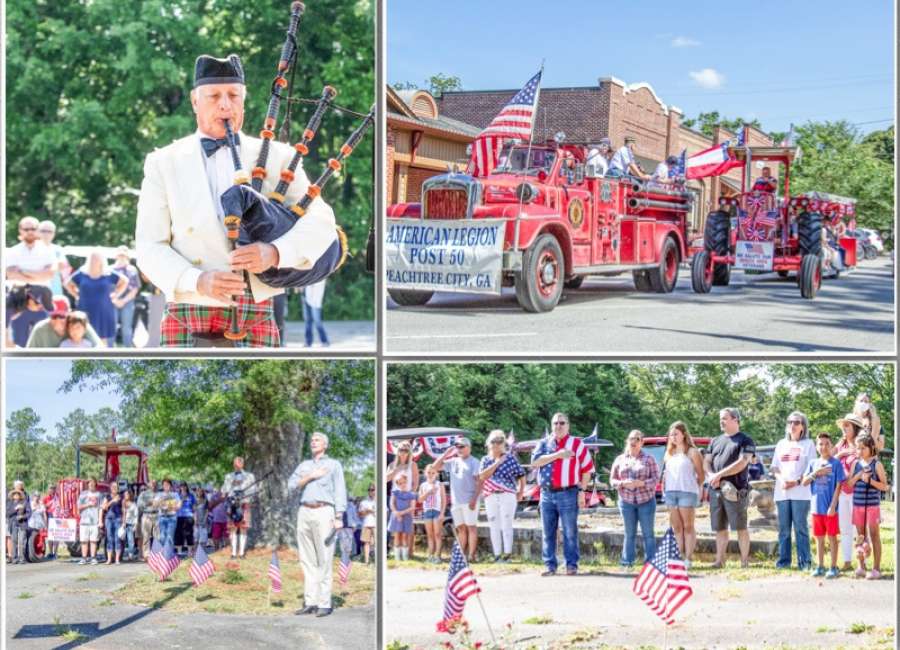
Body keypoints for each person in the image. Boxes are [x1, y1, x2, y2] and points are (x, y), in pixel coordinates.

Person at [135, 54, 338, 348]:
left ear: (243, 101)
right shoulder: (163, 162)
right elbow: (148, 245)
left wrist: (276, 252)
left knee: (262, 394)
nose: (225, 104)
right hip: (187, 307)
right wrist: (196, 280)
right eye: (214, 96)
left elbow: (321, 222)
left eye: (233, 95)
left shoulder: (278, 157)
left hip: (255, 309)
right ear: (195, 101)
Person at [288, 432, 347, 618]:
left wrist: (339, 516)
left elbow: (340, 490)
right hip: (305, 510)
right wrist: (310, 476)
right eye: (312, 440)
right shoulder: (304, 466)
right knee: (307, 558)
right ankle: (310, 601)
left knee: (324, 557)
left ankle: (324, 602)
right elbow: (291, 485)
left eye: (317, 440)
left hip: (324, 511)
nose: (313, 442)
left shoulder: (333, 465)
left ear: (325, 445)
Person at [530, 413, 594, 576]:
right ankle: (550, 565)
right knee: (548, 531)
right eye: (555, 423)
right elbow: (535, 462)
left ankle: (571, 565)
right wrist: (558, 455)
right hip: (546, 494)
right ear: (551, 426)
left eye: (562, 423)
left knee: (570, 531)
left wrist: (582, 491)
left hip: (568, 492)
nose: (558, 426)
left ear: (568, 425)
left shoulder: (577, 444)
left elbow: (587, 470)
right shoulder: (544, 443)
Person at [704, 407, 756, 568]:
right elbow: (706, 461)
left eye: (725, 418)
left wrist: (719, 475)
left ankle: (744, 561)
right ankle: (720, 561)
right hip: (716, 489)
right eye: (721, 418)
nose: (721, 421)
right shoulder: (715, 440)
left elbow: (742, 462)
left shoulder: (746, 440)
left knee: (740, 527)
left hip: (736, 491)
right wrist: (712, 475)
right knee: (719, 528)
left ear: (735, 420)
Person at [770, 411, 817, 571]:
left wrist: (795, 482)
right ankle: (784, 562)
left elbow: (812, 469)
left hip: (801, 493)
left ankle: (805, 562)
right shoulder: (781, 444)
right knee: (783, 530)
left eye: (797, 422)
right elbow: (775, 467)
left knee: (800, 528)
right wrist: (782, 480)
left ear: (803, 426)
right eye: (790, 422)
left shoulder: (809, 444)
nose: (793, 425)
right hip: (782, 492)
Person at [611, 429, 660, 567]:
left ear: (642, 442)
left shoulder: (649, 459)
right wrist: (622, 483)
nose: (634, 441)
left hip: (646, 502)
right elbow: (612, 480)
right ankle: (627, 562)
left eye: (637, 439)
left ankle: (651, 563)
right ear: (627, 441)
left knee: (648, 534)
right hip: (626, 502)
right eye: (631, 438)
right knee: (629, 533)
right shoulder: (620, 459)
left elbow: (656, 479)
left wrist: (642, 483)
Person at [802, 433, 845, 578]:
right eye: (820, 444)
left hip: (830, 509)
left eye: (827, 444)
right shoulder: (813, 463)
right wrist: (816, 473)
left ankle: (833, 567)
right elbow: (804, 482)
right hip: (816, 508)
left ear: (831, 446)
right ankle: (820, 566)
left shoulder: (836, 463)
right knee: (819, 538)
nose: (823, 447)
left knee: (832, 537)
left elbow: (839, 485)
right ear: (816, 446)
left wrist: (833, 506)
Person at [478, 430, 526, 563]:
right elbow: (482, 476)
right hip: (490, 495)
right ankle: (497, 554)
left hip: (508, 495)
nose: (497, 444)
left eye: (500, 441)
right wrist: (497, 462)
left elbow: (521, 475)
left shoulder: (510, 458)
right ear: (489, 443)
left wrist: (521, 492)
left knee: (506, 524)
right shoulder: (485, 460)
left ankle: (507, 554)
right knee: (494, 525)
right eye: (494, 441)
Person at [661, 421, 704, 567]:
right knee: (677, 527)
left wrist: (693, 487)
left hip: (687, 492)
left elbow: (701, 475)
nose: (673, 437)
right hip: (671, 493)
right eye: (671, 434)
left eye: (676, 434)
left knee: (688, 526)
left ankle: (688, 558)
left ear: (683, 434)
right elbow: (666, 474)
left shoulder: (692, 452)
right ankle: (678, 558)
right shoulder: (668, 453)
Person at [433, 438, 482, 563]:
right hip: (456, 502)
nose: (459, 449)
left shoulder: (474, 462)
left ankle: (471, 555)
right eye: (457, 447)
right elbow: (435, 467)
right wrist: (446, 453)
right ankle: (461, 555)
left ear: (469, 448)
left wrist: (474, 499)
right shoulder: (453, 461)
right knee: (460, 528)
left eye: (462, 446)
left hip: (469, 500)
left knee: (471, 527)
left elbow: (480, 482)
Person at [846, 434, 888, 579]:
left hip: (872, 506)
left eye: (863, 448)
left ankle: (876, 568)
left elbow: (885, 486)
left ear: (871, 448)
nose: (860, 451)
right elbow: (849, 484)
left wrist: (870, 481)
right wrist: (858, 476)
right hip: (858, 506)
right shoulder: (855, 464)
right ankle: (861, 566)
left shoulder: (877, 464)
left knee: (875, 535)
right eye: (858, 448)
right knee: (860, 536)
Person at [65, 251, 127, 347]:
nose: (94, 261)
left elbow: (124, 281)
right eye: (92, 258)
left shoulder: (108, 273)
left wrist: (116, 294)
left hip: (103, 311)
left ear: (102, 260)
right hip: (84, 309)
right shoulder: (82, 273)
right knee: (84, 336)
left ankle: (102, 359)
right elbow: (67, 283)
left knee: (102, 339)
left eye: (97, 259)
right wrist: (76, 294)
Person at [5, 216, 56, 311]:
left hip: (42, 296)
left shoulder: (48, 250)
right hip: (18, 296)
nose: (30, 232)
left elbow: (49, 275)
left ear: (38, 230)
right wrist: (38, 277)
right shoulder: (12, 251)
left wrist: (23, 271)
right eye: (26, 229)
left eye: (33, 229)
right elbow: (11, 275)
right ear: (20, 230)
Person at [834, 413, 864, 570]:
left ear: (855, 428)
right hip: (842, 493)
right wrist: (840, 454)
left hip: (858, 492)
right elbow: (828, 461)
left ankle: (862, 562)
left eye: (847, 425)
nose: (844, 429)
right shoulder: (841, 445)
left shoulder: (861, 445)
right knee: (844, 528)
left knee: (859, 528)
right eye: (843, 426)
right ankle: (847, 561)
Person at [26, 298, 103, 348]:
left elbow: (99, 348)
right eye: (54, 316)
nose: (58, 320)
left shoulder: (79, 323)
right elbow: (28, 355)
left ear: (69, 314)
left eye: (62, 316)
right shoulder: (40, 329)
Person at [221, 457, 257, 559]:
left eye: (238, 464)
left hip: (244, 503)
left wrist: (245, 495)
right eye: (234, 464)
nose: (236, 466)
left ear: (242, 464)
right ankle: (233, 553)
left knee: (243, 528)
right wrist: (230, 485)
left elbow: (254, 489)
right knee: (233, 528)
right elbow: (224, 489)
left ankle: (241, 553)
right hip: (232, 504)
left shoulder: (250, 476)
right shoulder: (228, 476)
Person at [111, 246, 141, 347]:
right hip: (112, 302)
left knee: (126, 329)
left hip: (128, 302)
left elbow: (135, 288)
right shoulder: (110, 269)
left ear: (128, 256)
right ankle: (108, 351)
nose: (122, 256)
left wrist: (123, 301)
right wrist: (115, 300)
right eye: (120, 254)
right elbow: (107, 289)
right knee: (111, 327)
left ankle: (128, 351)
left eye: (124, 254)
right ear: (116, 256)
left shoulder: (132, 270)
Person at [418, 464, 446, 563]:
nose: (430, 474)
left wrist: (442, 513)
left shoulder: (440, 484)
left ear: (436, 474)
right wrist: (428, 492)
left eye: (433, 473)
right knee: (430, 535)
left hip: (437, 511)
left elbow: (443, 500)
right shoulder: (423, 485)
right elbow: (420, 500)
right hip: (427, 512)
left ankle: (437, 556)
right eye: (428, 472)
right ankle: (430, 555)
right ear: (425, 473)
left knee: (437, 534)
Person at [38, 220, 71, 298]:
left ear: (54, 234)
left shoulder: (58, 250)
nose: (46, 234)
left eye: (49, 231)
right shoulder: (31, 249)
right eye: (43, 231)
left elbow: (64, 269)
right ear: (38, 232)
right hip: (36, 294)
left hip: (55, 293)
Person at [388, 473, 415, 561]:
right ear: (397, 484)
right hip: (396, 516)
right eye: (400, 483)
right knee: (397, 535)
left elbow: (412, 507)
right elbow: (392, 504)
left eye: (404, 482)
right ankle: (397, 556)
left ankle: (405, 556)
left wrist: (402, 513)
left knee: (405, 536)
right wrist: (396, 513)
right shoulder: (395, 493)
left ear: (407, 482)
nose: (402, 484)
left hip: (406, 516)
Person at [77, 479, 102, 565]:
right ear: (88, 484)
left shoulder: (99, 495)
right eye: (89, 483)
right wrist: (88, 505)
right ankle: (84, 558)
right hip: (84, 520)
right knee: (84, 541)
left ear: (95, 484)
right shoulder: (83, 494)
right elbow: (78, 507)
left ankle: (93, 558)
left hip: (95, 521)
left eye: (93, 483)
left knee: (93, 540)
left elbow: (101, 508)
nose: (91, 484)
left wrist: (100, 520)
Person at [7, 481, 31, 564]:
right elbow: (7, 513)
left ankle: (22, 558)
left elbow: (29, 513)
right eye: (15, 494)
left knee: (22, 541)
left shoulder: (25, 502)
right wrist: (15, 509)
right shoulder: (10, 504)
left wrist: (22, 516)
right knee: (14, 541)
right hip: (13, 524)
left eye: (18, 494)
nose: (16, 496)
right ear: (13, 496)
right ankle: (14, 558)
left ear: (20, 495)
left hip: (22, 524)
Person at [154, 478, 182, 548]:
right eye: (164, 485)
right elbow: (154, 504)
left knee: (169, 537)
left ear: (171, 486)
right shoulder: (159, 494)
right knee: (162, 537)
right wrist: (159, 501)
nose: (166, 486)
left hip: (172, 518)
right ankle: (163, 554)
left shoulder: (175, 494)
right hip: (162, 518)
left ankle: (168, 556)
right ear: (162, 486)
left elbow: (179, 505)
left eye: (168, 485)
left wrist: (175, 507)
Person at [303, 279, 330, 347]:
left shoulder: (321, 272)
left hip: (315, 300)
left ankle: (325, 341)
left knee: (317, 321)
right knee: (307, 321)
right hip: (307, 297)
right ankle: (308, 342)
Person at [101, 482, 124, 564]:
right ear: (110, 488)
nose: (114, 488)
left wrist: (123, 522)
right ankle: (109, 559)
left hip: (118, 519)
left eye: (116, 487)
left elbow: (124, 510)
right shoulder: (107, 497)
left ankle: (117, 559)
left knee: (117, 539)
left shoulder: (121, 497)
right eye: (113, 486)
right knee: (109, 538)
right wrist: (112, 501)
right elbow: (104, 507)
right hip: (109, 519)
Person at [137, 480, 160, 560]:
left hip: (157, 515)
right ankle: (146, 555)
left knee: (157, 537)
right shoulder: (143, 494)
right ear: (148, 484)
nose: (153, 484)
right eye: (151, 483)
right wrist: (148, 503)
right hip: (147, 515)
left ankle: (157, 554)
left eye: (155, 483)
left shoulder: (160, 494)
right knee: (146, 536)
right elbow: (139, 505)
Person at [175, 483, 196, 556]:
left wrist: (195, 517)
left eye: (184, 486)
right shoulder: (177, 496)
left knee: (189, 534)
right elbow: (175, 507)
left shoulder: (191, 496)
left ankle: (190, 552)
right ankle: (179, 551)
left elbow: (194, 508)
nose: (183, 487)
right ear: (180, 487)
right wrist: (182, 500)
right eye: (181, 486)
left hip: (189, 516)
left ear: (187, 487)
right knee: (179, 534)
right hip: (179, 516)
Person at [43, 484, 63, 560]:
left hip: (57, 516)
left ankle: (56, 552)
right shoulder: (46, 498)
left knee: (57, 535)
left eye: (53, 489)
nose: (52, 490)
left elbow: (61, 505)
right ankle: (51, 552)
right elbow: (44, 508)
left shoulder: (58, 497)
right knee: (50, 535)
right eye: (50, 488)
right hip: (49, 516)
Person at [358, 484, 376, 564]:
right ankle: (366, 561)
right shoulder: (364, 502)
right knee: (366, 543)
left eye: (372, 489)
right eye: (369, 490)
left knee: (377, 543)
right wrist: (367, 511)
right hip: (366, 524)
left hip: (376, 524)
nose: (370, 491)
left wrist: (374, 512)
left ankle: (377, 560)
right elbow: (360, 514)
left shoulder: (380, 500)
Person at [123, 490, 139, 561]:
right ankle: (119, 555)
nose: (126, 496)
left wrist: (135, 525)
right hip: (122, 524)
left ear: (130, 495)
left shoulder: (133, 504)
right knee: (121, 540)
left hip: (130, 524)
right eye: (125, 494)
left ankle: (130, 555)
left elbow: (136, 515)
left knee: (130, 540)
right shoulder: (122, 503)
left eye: (127, 494)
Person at [193, 486, 209, 552]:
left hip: (203, 521)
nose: (199, 492)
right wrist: (195, 520)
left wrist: (205, 520)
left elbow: (207, 511)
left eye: (201, 491)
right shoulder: (194, 500)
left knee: (203, 538)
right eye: (198, 491)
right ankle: (195, 552)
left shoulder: (205, 500)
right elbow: (194, 511)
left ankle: (203, 552)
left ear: (203, 492)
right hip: (196, 521)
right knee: (195, 538)